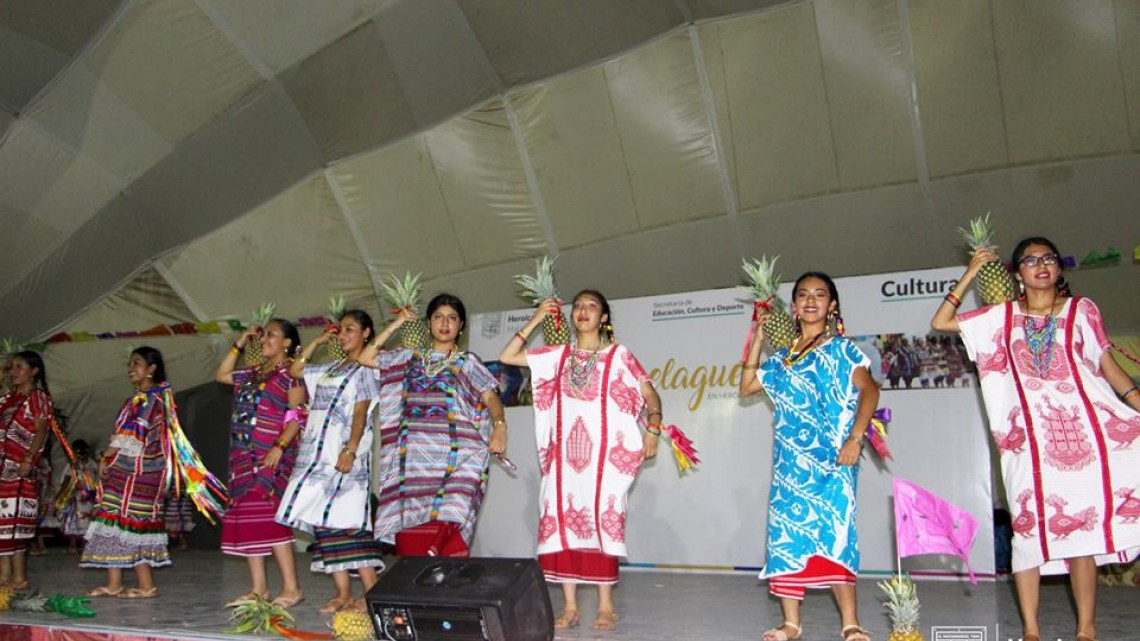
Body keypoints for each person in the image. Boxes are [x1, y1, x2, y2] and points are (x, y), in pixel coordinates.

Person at [931, 236, 1140, 641]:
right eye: (1030, 260)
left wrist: (1136, 402)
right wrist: (971, 273)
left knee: (1083, 532)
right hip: (1027, 445)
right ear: (1017, 273)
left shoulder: (1081, 310)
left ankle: (1086, 629)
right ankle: (1030, 630)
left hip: (1085, 438)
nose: (1041, 265)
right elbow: (941, 322)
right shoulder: (1000, 316)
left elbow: (1106, 364)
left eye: (1049, 259)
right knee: (1027, 532)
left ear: (1059, 269)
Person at [498, 289, 661, 631]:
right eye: (579, 307)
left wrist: (653, 429)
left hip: (605, 461)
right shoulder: (557, 356)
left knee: (604, 520)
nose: (584, 311)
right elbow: (507, 356)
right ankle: (570, 607)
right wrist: (539, 318)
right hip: (564, 462)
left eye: (592, 306)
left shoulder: (619, 356)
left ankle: (605, 605)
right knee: (561, 526)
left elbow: (648, 392)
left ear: (604, 318)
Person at [740, 273, 880, 641]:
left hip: (835, 460)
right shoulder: (783, 358)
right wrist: (757, 339)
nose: (811, 301)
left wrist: (855, 438)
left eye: (820, 295)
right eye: (803, 295)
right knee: (786, 536)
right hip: (790, 466)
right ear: (794, 306)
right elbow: (747, 386)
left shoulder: (842, 349)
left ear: (832, 306)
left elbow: (870, 391)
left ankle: (850, 623)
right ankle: (791, 623)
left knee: (836, 534)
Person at [360, 293, 507, 558]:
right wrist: (397, 324)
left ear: (461, 326)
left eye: (452, 318)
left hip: (454, 456)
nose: (445, 323)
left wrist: (499, 426)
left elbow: (490, 395)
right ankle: (415, 587)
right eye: (438, 317)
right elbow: (366, 356)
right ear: (429, 323)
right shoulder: (408, 358)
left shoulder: (467, 362)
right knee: (413, 527)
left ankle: (446, 580)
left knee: (455, 504)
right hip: (412, 462)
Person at [278, 310, 382, 613]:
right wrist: (320, 339)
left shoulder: (366, 369)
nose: (344, 334)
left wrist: (350, 450)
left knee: (348, 522)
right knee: (325, 522)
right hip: (316, 457)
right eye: (342, 330)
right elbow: (296, 370)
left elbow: (361, 413)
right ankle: (342, 593)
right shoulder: (330, 368)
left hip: (345, 454)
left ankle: (372, 594)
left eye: (351, 329)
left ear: (366, 333)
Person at [216, 319, 306, 608]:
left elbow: (298, 414)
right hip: (243, 459)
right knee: (250, 519)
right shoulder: (252, 373)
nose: (265, 339)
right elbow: (221, 375)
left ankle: (292, 588)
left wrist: (280, 446)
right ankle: (259, 589)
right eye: (263, 335)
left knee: (270, 518)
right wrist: (241, 342)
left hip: (271, 455)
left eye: (271, 335)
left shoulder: (291, 374)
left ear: (287, 343)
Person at [81, 347, 177, 598]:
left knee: (132, 523)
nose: (130, 368)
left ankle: (146, 585)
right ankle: (114, 582)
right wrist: (109, 457)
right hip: (124, 469)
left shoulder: (153, 399)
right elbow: (123, 433)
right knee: (114, 519)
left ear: (151, 368)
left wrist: (107, 454)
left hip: (142, 471)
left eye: (137, 363)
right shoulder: (136, 399)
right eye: (129, 364)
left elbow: (135, 432)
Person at [0, 351, 52, 588]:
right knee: (2, 523)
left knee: (17, 522)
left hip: (20, 468)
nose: (14, 371)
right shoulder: (7, 398)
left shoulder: (37, 396)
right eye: (12, 367)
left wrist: (29, 459)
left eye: (20, 367)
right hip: (3, 469)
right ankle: (4, 576)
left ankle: (19, 578)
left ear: (34, 371)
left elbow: (41, 430)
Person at [58, 439, 97, 554]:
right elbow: (66, 479)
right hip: (75, 496)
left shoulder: (92, 464)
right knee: (74, 520)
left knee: (86, 520)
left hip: (88, 497)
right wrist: (61, 494)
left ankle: (83, 546)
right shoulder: (72, 465)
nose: (83, 456)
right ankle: (74, 545)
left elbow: (97, 479)